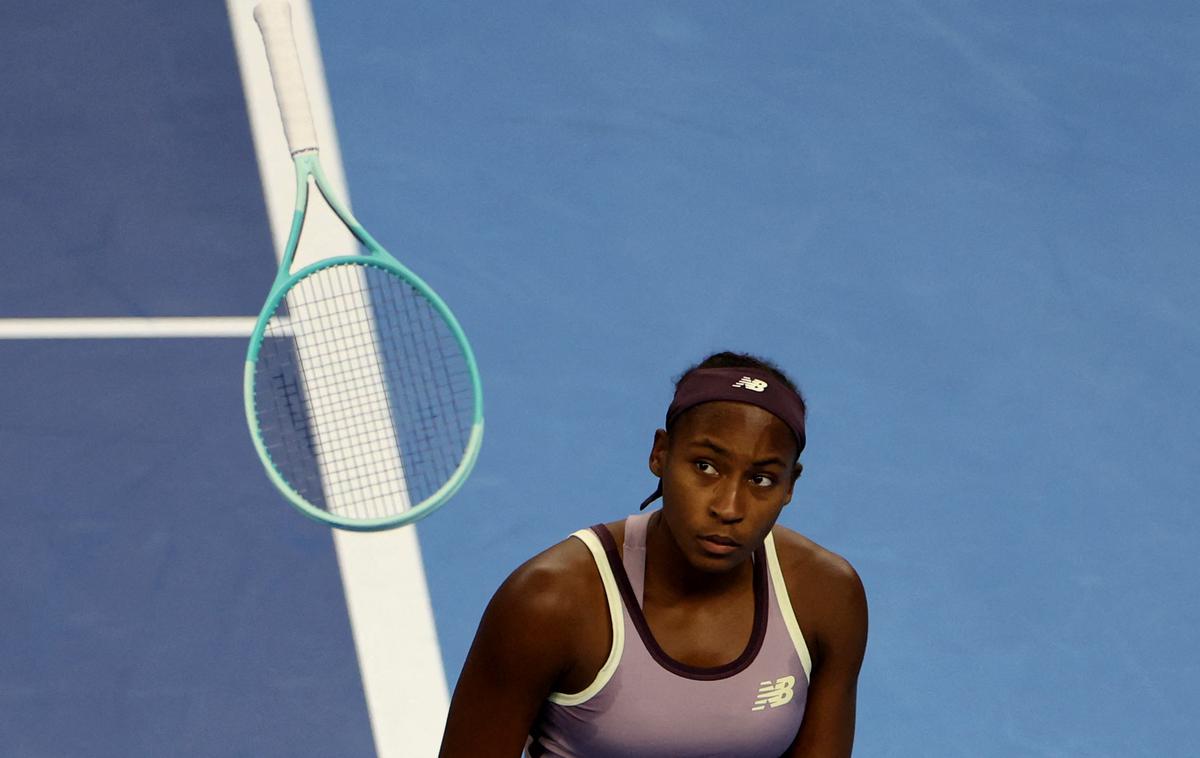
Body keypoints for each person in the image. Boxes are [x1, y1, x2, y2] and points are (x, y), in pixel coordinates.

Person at [439, 351, 868, 757]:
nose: (729, 507)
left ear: (790, 486)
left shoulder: (826, 597)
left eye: (761, 479)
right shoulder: (549, 604)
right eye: (706, 466)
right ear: (660, 454)